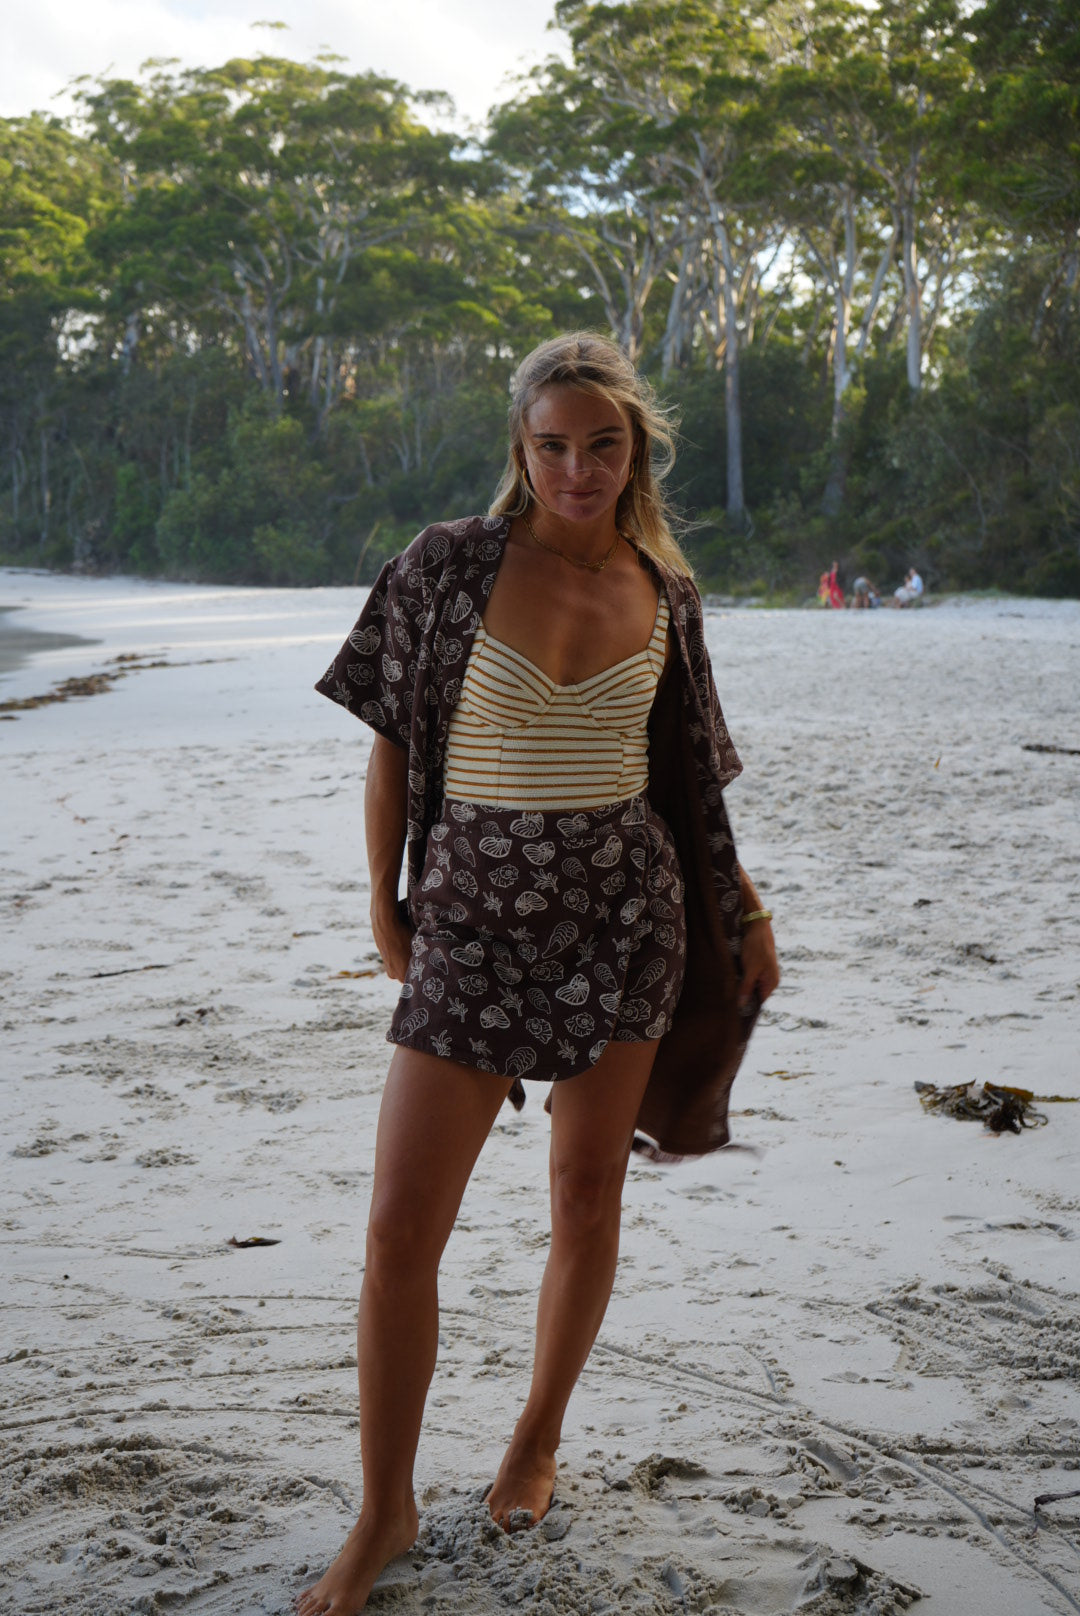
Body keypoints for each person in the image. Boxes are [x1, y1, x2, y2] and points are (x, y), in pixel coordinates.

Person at [301, 331, 780, 1616]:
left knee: (585, 1194)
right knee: (403, 1226)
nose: (579, 466)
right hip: (474, 920)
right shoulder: (447, 566)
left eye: (604, 444)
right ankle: (384, 1506)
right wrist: (383, 897)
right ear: (522, 444)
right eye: (555, 443)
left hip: (627, 915)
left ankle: (534, 1437)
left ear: (638, 452)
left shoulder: (664, 590)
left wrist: (744, 908)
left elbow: (688, 780)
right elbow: (394, 747)